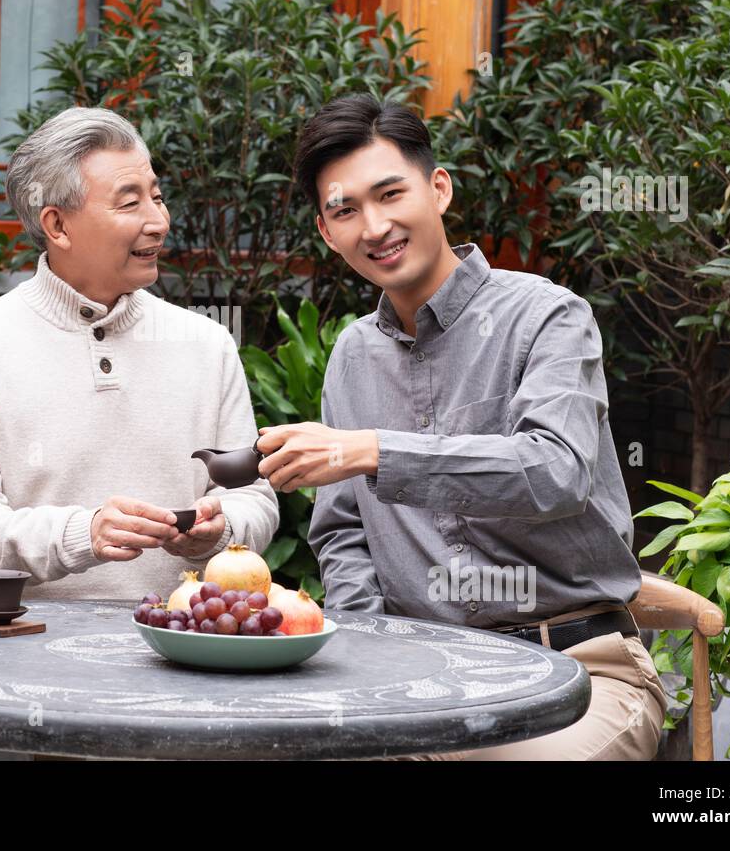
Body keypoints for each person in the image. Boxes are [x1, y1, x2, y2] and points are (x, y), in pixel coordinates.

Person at [255, 95, 666, 760]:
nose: (376, 224)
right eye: (346, 209)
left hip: (575, 670)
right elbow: (343, 535)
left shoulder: (547, 317)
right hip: (419, 683)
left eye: (391, 193)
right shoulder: (353, 356)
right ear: (327, 232)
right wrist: (371, 662)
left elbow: (555, 472)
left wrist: (374, 450)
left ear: (438, 187)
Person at [0, 106, 278, 606]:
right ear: (58, 225)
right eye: (129, 203)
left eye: (156, 197)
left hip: (181, 646)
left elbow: (252, 498)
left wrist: (221, 530)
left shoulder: (206, 342)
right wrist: (83, 534)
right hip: (16, 655)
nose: (158, 221)